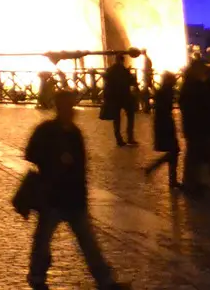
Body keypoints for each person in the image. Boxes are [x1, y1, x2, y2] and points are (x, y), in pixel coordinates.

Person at [20, 91, 130, 290]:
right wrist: (55, 159)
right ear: (60, 108)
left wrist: (83, 194)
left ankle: (105, 281)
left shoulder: (75, 133)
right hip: (53, 196)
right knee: (43, 241)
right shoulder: (47, 131)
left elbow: (80, 166)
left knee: (88, 243)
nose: (72, 111)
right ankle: (37, 277)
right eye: (69, 107)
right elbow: (31, 153)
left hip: (73, 197)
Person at [178, 55, 210, 194]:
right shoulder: (193, 87)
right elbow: (195, 106)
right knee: (196, 156)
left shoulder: (193, 85)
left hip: (198, 126)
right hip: (197, 126)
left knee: (200, 155)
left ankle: (199, 183)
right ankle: (192, 184)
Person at [142, 70, 180, 188]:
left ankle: (171, 179)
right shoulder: (166, 92)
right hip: (165, 123)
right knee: (174, 151)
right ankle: (155, 168)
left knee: (173, 151)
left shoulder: (163, 91)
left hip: (162, 122)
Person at [100, 53, 138, 147]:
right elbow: (131, 81)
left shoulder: (111, 70)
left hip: (114, 98)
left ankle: (119, 139)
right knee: (130, 115)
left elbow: (106, 80)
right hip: (125, 97)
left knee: (117, 119)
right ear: (122, 60)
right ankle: (130, 137)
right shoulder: (124, 70)